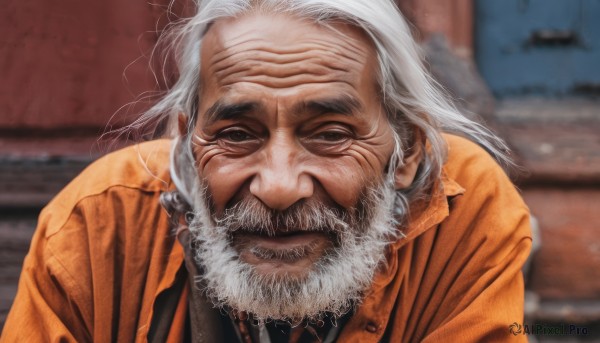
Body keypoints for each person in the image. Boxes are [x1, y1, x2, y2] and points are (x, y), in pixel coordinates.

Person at [2, 0, 532, 342]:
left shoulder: (463, 208)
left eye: (330, 134)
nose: (278, 187)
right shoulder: (96, 224)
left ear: (408, 149)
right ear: (186, 143)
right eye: (236, 135)